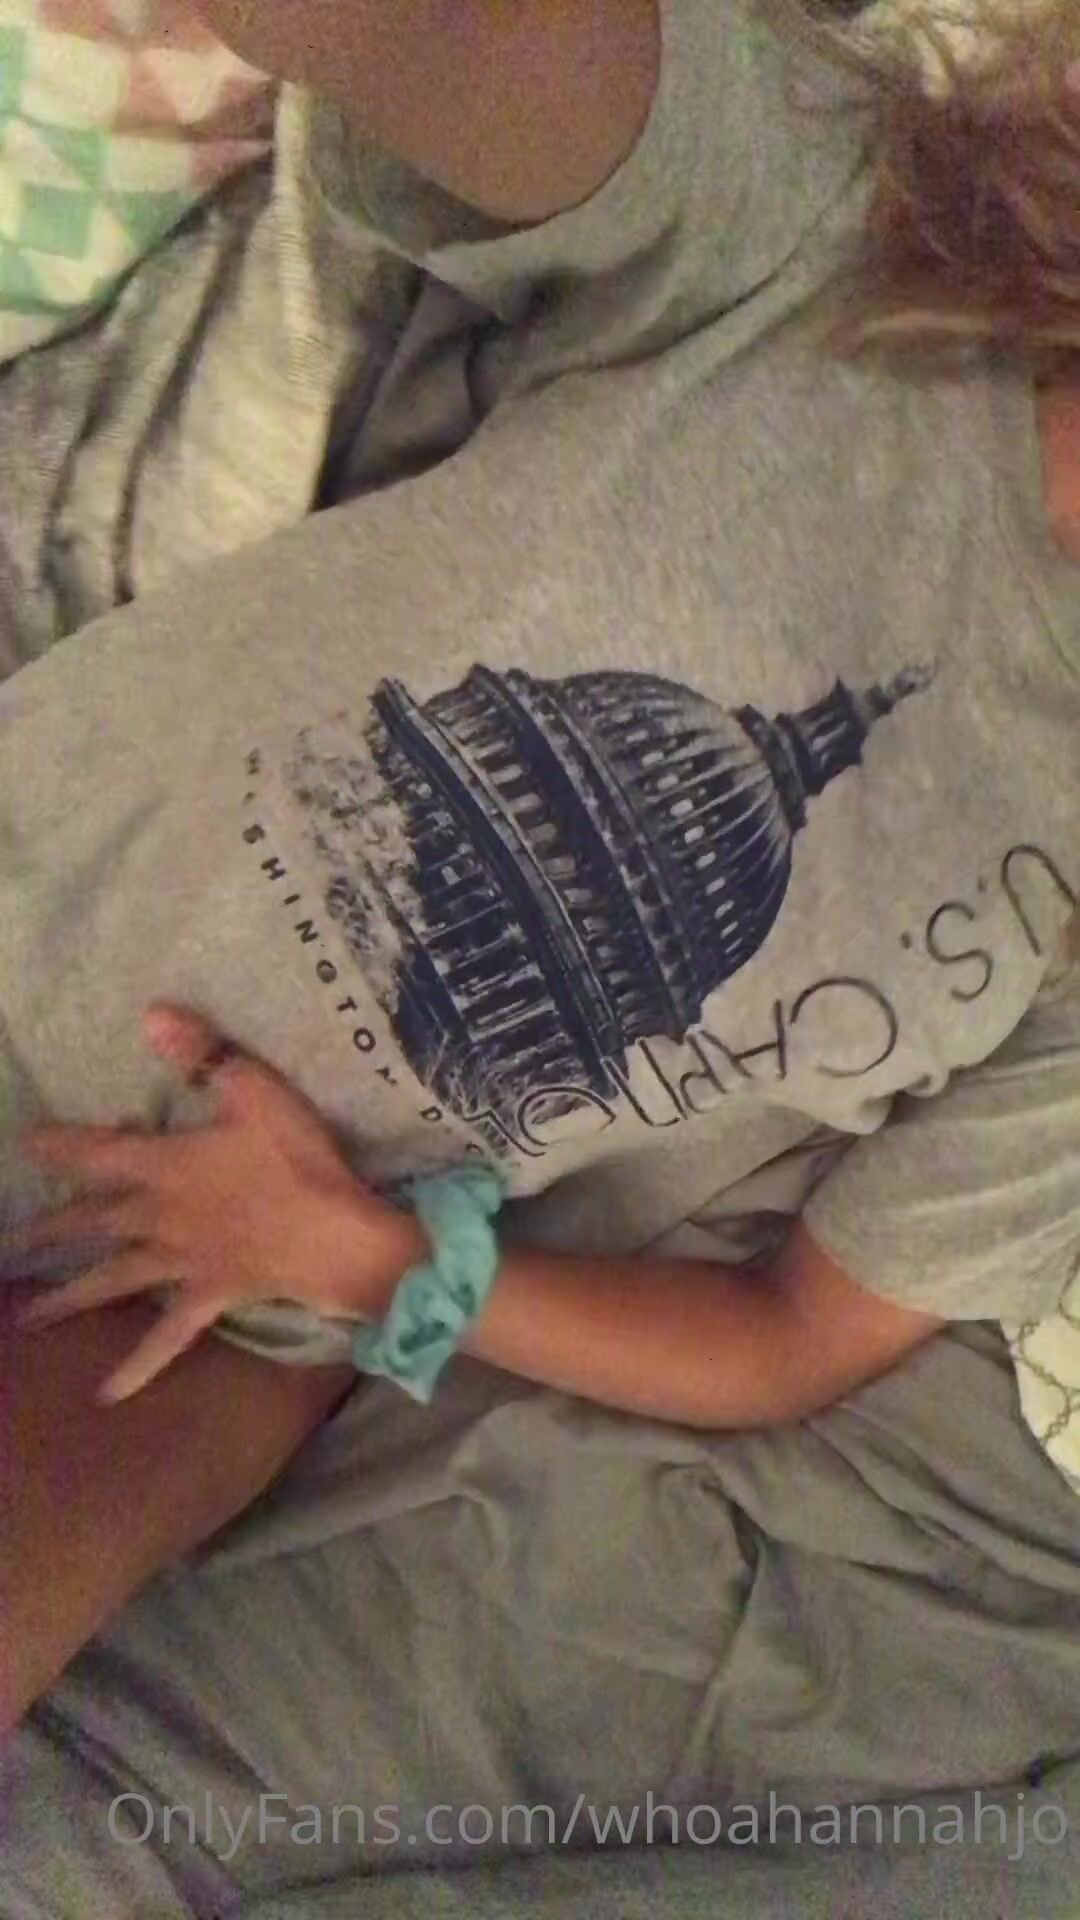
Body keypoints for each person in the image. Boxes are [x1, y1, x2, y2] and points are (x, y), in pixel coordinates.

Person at [2, 0, 1078, 1734]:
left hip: (229, 1311)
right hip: (45, 890)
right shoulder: (853, 235)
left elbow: (793, 1337)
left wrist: (375, 1267)